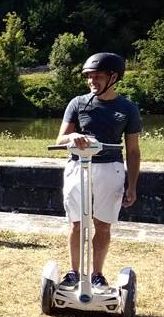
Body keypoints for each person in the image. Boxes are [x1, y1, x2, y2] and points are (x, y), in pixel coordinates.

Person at [55, 52, 141, 290]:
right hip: (77, 167)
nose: (92, 81)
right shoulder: (78, 103)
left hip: (110, 169)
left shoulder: (127, 108)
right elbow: (61, 138)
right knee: (76, 223)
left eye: (98, 76)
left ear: (113, 77)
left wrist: (132, 186)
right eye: (89, 77)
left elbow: (133, 151)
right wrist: (73, 135)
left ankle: (97, 275)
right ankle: (73, 273)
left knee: (102, 225)